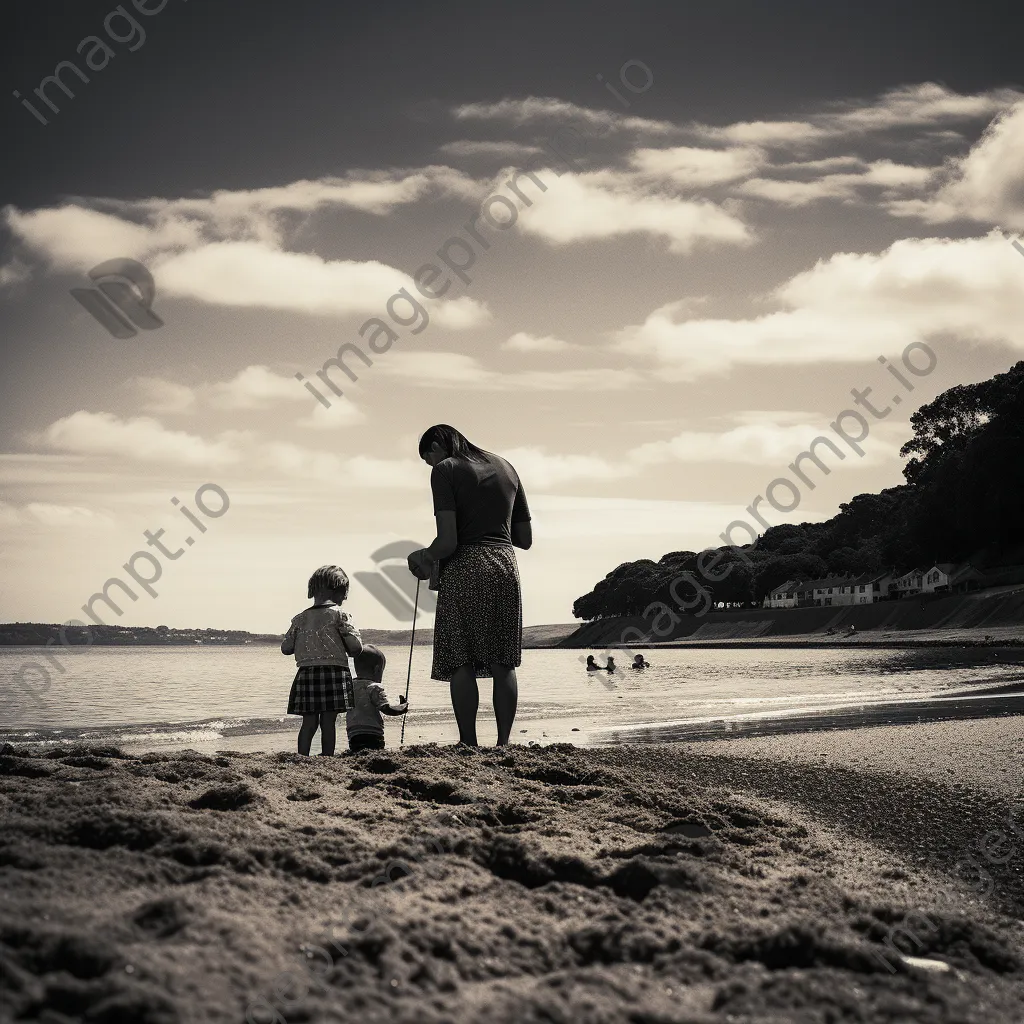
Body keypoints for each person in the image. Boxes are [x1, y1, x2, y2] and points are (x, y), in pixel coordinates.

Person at [407, 424, 531, 747]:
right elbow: (525, 539)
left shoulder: (445, 471)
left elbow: (448, 542)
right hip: (505, 565)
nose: (431, 467)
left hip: (465, 568)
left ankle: (469, 742)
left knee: (460, 659)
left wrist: (421, 556)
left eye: (429, 458)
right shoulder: (507, 468)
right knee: (503, 660)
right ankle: (504, 743)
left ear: (438, 444)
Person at [281, 565, 362, 756]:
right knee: (328, 722)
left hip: (307, 673)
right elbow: (356, 649)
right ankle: (327, 757)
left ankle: (302, 756)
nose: (346, 597)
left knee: (309, 722)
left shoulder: (300, 619)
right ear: (335, 589)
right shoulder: (340, 616)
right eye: (344, 592)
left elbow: (286, 648)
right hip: (334, 672)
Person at [346, 644, 409, 753]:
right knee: (376, 753)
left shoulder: (349, 687)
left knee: (357, 752)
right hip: (373, 733)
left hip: (353, 733)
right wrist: (401, 708)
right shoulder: (374, 687)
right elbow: (386, 709)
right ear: (377, 669)